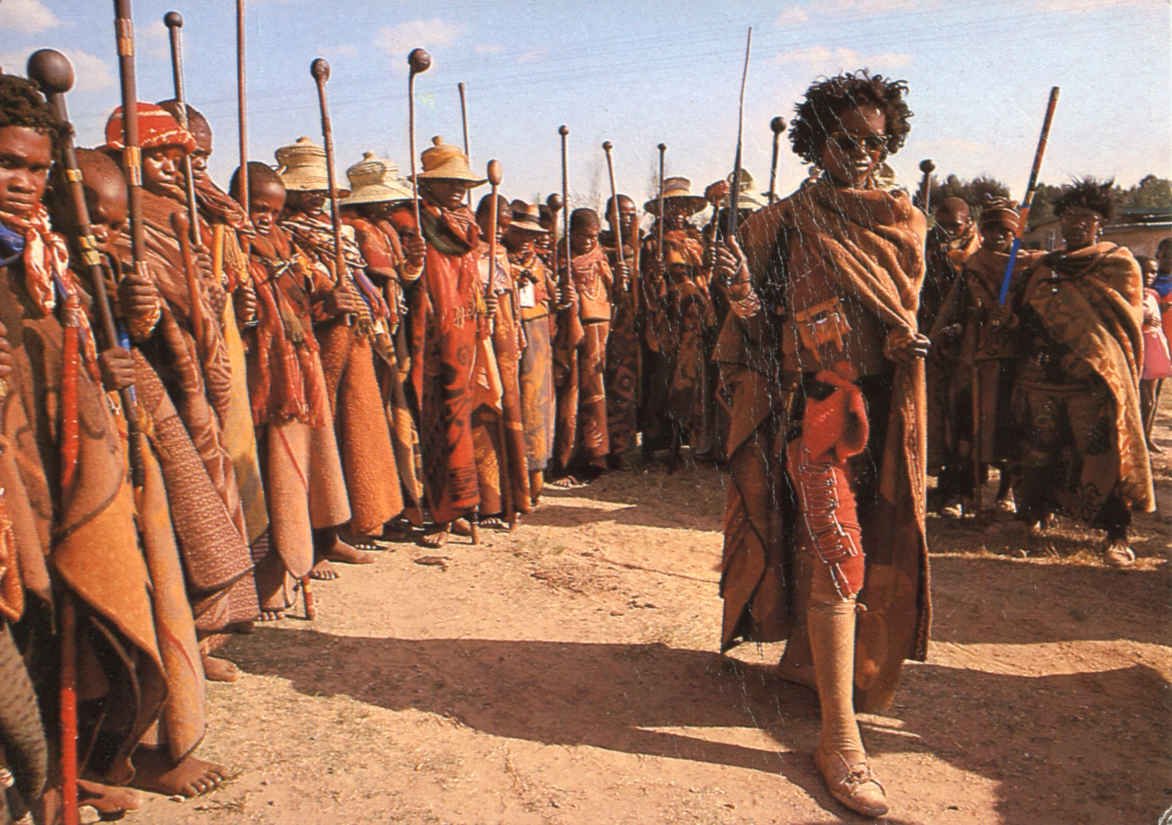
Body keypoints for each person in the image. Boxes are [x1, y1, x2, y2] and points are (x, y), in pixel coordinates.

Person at [1, 75, 226, 807]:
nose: (23, 182)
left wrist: (115, 349)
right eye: (7, 163)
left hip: (63, 469)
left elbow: (65, 350)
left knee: (82, 627)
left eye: (36, 168)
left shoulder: (45, 259)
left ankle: (78, 768)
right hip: (13, 486)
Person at [714, 70, 930, 817]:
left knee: (866, 549)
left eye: (876, 140)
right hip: (812, 414)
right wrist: (742, 295)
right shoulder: (778, 224)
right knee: (839, 553)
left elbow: (901, 308)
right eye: (846, 139)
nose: (863, 152)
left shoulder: (906, 222)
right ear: (816, 142)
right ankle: (840, 740)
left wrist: (905, 344)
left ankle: (812, 665)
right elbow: (748, 334)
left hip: (886, 413)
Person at [102, 103, 261, 671]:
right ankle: (175, 640)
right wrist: (144, 314)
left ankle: (207, 630)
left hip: (194, 377)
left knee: (203, 500)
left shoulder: (183, 218)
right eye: (159, 157)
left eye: (179, 157)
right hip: (148, 380)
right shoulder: (118, 219)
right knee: (172, 512)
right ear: (126, 161)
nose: (173, 168)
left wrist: (221, 301)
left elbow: (203, 295)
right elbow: (121, 308)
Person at [231, 162, 353, 619]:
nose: (265, 218)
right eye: (257, 208)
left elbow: (310, 301)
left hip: (299, 376)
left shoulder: (289, 248)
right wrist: (242, 310)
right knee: (264, 478)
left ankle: (299, 565)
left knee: (297, 473)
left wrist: (330, 302)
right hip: (261, 380)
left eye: (273, 211)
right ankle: (268, 582)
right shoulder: (231, 246)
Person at [1010, 178, 1153, 566]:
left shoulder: (1119, 264)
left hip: (1091, 377)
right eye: (1070, 217)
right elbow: (1025, 311)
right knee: (1039, 447)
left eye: (1086, 218)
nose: (1076, 225)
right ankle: (1034, 514)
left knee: (1101, 450)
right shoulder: (1045, 267)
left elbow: (1123, 322)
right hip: (1043, 374)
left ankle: (1116, 533)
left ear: (1099, 224)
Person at [276, 136, 402, 563]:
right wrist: (324, 307)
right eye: (306, 190)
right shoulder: (284, 236)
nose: (315, 197)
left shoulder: (340, 235)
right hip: (314, 344)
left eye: (320, 189)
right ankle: (318, 537)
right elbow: (287, 298)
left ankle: (359, 520)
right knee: (319, 437)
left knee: (358, 425)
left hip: (353, 338)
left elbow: (363, 279)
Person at [388, 137, 485, 547]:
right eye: (449, 181)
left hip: (464, 332)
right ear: (427, 184)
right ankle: (438, 511)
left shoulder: (467, 225)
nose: (458, 188)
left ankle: (460, 506)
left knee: (460, 420)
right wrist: (412, 262)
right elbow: (399, 277)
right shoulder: (408, 220)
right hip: (427, 335)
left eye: (462, 182)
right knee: (431, 419)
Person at [930, 199, 1042, 512]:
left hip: (1012, 359)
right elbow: (953, 307)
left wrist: (1014, 319)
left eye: (1005, 232)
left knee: (1009, 424)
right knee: (968, 423)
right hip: (973, 357)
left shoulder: (1027, 267)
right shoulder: (973, 266)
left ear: (1014, 234)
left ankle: (1006, 493)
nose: (998, 236)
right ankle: (964, 492)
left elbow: (1038, 308)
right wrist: (950, 329)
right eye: (992, 230)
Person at [339, 151, 427, 526]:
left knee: (397, 412)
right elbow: (357, 278)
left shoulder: (386, 229)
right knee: (370, 414)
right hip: (366, 329)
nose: (389, 204)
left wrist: (413, 262)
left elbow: (400, 277)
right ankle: (373, 509)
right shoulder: (350, 230)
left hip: (392, 325)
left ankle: (402, 501)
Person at [470, 193, 530, 527]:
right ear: (478, 217)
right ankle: (488, 502)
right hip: (479, 335)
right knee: (483, 408)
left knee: (509, 408)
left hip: (505, 337)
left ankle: (513, 498)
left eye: (505, 227)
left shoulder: (503, 253)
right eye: (494, 223)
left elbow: (513, 300)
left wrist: (517, 328)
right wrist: (482, 305)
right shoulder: (466, 252)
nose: (499, 232)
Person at [640, 179, 708, 468]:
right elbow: (646, 284)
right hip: (666, 318)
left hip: (693, 317)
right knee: (663, 377)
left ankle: (681, 441)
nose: (678, 212)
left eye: (683, 207)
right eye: (672, 207)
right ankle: (656, 443)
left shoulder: (698, 241)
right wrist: (654, 276)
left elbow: (705, 277)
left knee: (688, 378)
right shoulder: (652, 243)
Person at [922, 196, 980, 514]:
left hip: (967, 345)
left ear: (968, 222)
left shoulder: (978, 255)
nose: (946, 232)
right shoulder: (926, 247)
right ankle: (937, 484)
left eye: (954, 226)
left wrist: (961, 326)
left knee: (962, 417)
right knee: (934, 415)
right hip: (930, 341)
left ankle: (957, 490)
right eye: (941, 226)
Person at [553, 208, 614, 482]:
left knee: (595, 392)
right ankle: (566, 460)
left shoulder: (601, 258)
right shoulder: (560, 257)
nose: (589, 242)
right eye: (583, 236)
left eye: (593, 236)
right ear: (571, 233)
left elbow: (613, 292)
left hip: (598, 330)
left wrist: (619, 280)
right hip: (571, 331)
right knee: (571, 392)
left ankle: (595, 457)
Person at [505, 203, 558, 506]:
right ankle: (515, 483)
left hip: (538, 338)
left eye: (532, 235)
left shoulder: (539, 265)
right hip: (510, 334)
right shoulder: (499, 260)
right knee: (515, 405)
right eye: (520, 233)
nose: (526, 240)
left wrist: (563, 299)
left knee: (537, 407)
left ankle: (536, 476)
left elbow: (552, 300)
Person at [600, 194, 640, 467]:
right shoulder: (597, 246)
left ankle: (626, 447)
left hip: (634, 327)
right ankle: (608, 449)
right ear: (607, 217)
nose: (625, 219)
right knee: (607, 387)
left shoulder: (640, 246)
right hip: (607, 326)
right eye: (620, 214)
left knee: (627, 387)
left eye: (630, 214)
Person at [1138, 254, 1171, 451]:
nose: (1149, 276)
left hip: (1154, 348)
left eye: (1152, 272)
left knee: (1150, 399)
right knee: (1139, 397)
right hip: (1137, 348)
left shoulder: (1152, 295)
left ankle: (1147, 436)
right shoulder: (1127, 294)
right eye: (1144, 272)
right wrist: (1142, 320)